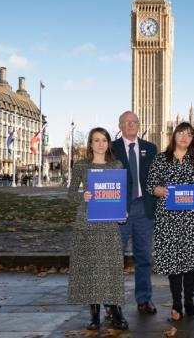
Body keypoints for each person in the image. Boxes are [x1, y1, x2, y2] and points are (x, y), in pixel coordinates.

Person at [148, 122, 194, 321]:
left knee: (191, 261)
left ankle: (189, 301)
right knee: (174, 261)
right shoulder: (161, 159)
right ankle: (176, 302)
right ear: (174, 136)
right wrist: (164, 191)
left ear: (193, 139)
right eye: (181, 133)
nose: (185, 137)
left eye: (189, 135)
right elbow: (152, 185)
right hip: (169, 219)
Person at [67, 127, 128, 331]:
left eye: (104, 140)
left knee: (110, 267)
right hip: (86, 221)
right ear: (90, 144)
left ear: (108, 143)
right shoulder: (81, 165)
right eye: (96, 140)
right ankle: (94, 313)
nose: (100, 144)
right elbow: (70, 193)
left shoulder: (116, 165)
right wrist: (81, 195)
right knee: (91, 267)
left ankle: (114, 308)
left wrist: (122, 212)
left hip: (109, 223)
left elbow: (119, 194)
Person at [112, 111, 158, 315]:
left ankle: (144, 299)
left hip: (144, 208)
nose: (131, 125)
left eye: (134, 122)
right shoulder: (111, 149)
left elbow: (158, 177)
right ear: (120, 125)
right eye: (127, 122)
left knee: (144, 257)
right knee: (114, 258)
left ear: (139, 125)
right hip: (119, 209)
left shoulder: (150, 148)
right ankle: (113, 303)